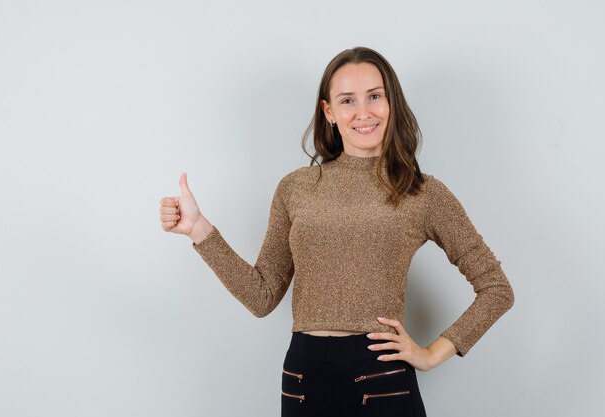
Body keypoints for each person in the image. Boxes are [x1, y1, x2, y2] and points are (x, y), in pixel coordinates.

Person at [159, 46, 515, 417]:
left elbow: (497, 289)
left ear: (391, 102)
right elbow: (261, 296)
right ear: (328, 111)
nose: (364, 112)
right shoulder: (295, 187)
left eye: (375, 96)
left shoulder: (422, 192)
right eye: (347, 100)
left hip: (380, 380)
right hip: (302, 378)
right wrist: (199, 230)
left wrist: (431, 354)